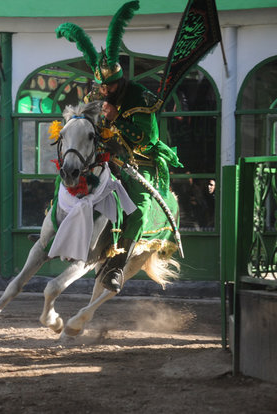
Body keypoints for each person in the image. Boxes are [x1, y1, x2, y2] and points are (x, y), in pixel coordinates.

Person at [57, 0, 182, 292]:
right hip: (107, 160)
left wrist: (118, 121)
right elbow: (88, 130)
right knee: (72, 182)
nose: (104, 93)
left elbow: (147, 140)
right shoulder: (96, 95)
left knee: (137, 211)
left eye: (109, 88)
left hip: (141, 163)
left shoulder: (140, 97)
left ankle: (115, 267)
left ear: (120, 81)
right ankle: (56, 229)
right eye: (101, 88)